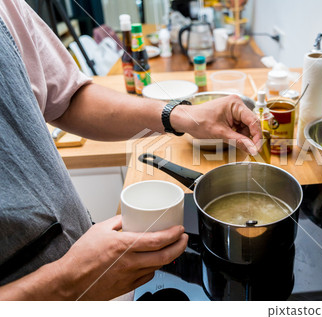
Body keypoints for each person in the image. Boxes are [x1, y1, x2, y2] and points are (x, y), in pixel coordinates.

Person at [0, 0, 261, 300]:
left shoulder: (8, 6)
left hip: (92, 268)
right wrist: (66, 282)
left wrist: (181, 116)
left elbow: (68, 98)